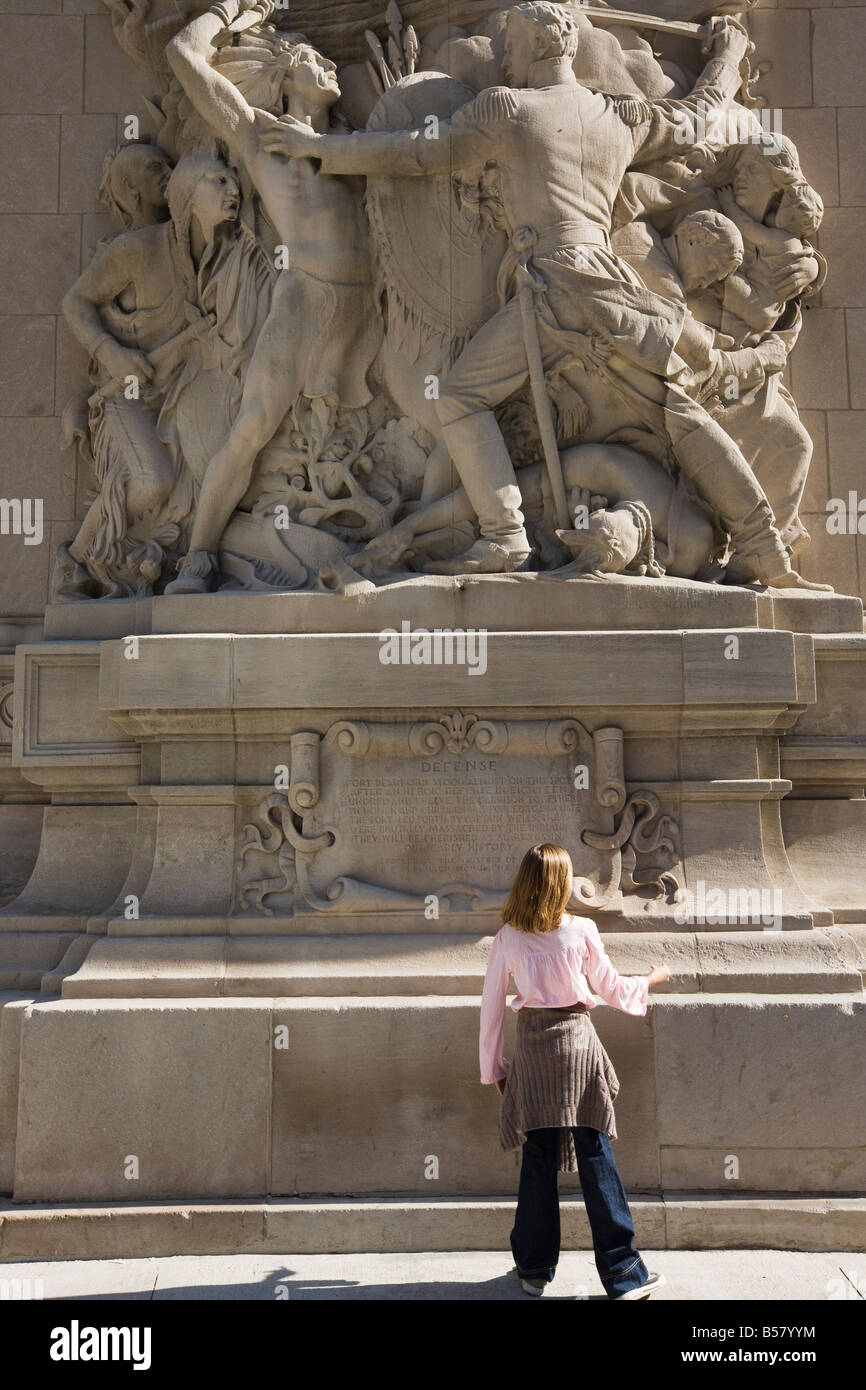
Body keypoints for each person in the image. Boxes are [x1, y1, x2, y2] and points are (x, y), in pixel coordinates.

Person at [260, 2, 823, 590]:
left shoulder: (508, 109)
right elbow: (698, 114)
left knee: (460, 397)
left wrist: (318, 148)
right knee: (678, 409)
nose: (505, 56)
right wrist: (728, 54)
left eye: (513, 45)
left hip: (551, 290)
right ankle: (763, 551)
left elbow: (415, 152)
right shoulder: (618, 117)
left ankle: (505, 533)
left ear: (538, 47)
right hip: (610, 291)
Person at [479, 842, 671, 1299]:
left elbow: (491, 1009)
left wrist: (495, 1069)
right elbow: (610, 989)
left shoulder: (508, 936)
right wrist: (650, 979)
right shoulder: (582, 930)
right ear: (561, 884)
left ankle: (533, 1270)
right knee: (595, 1153)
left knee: (538, 1158)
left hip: (532, 1050)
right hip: (577, 1046)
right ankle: (624, 1274)